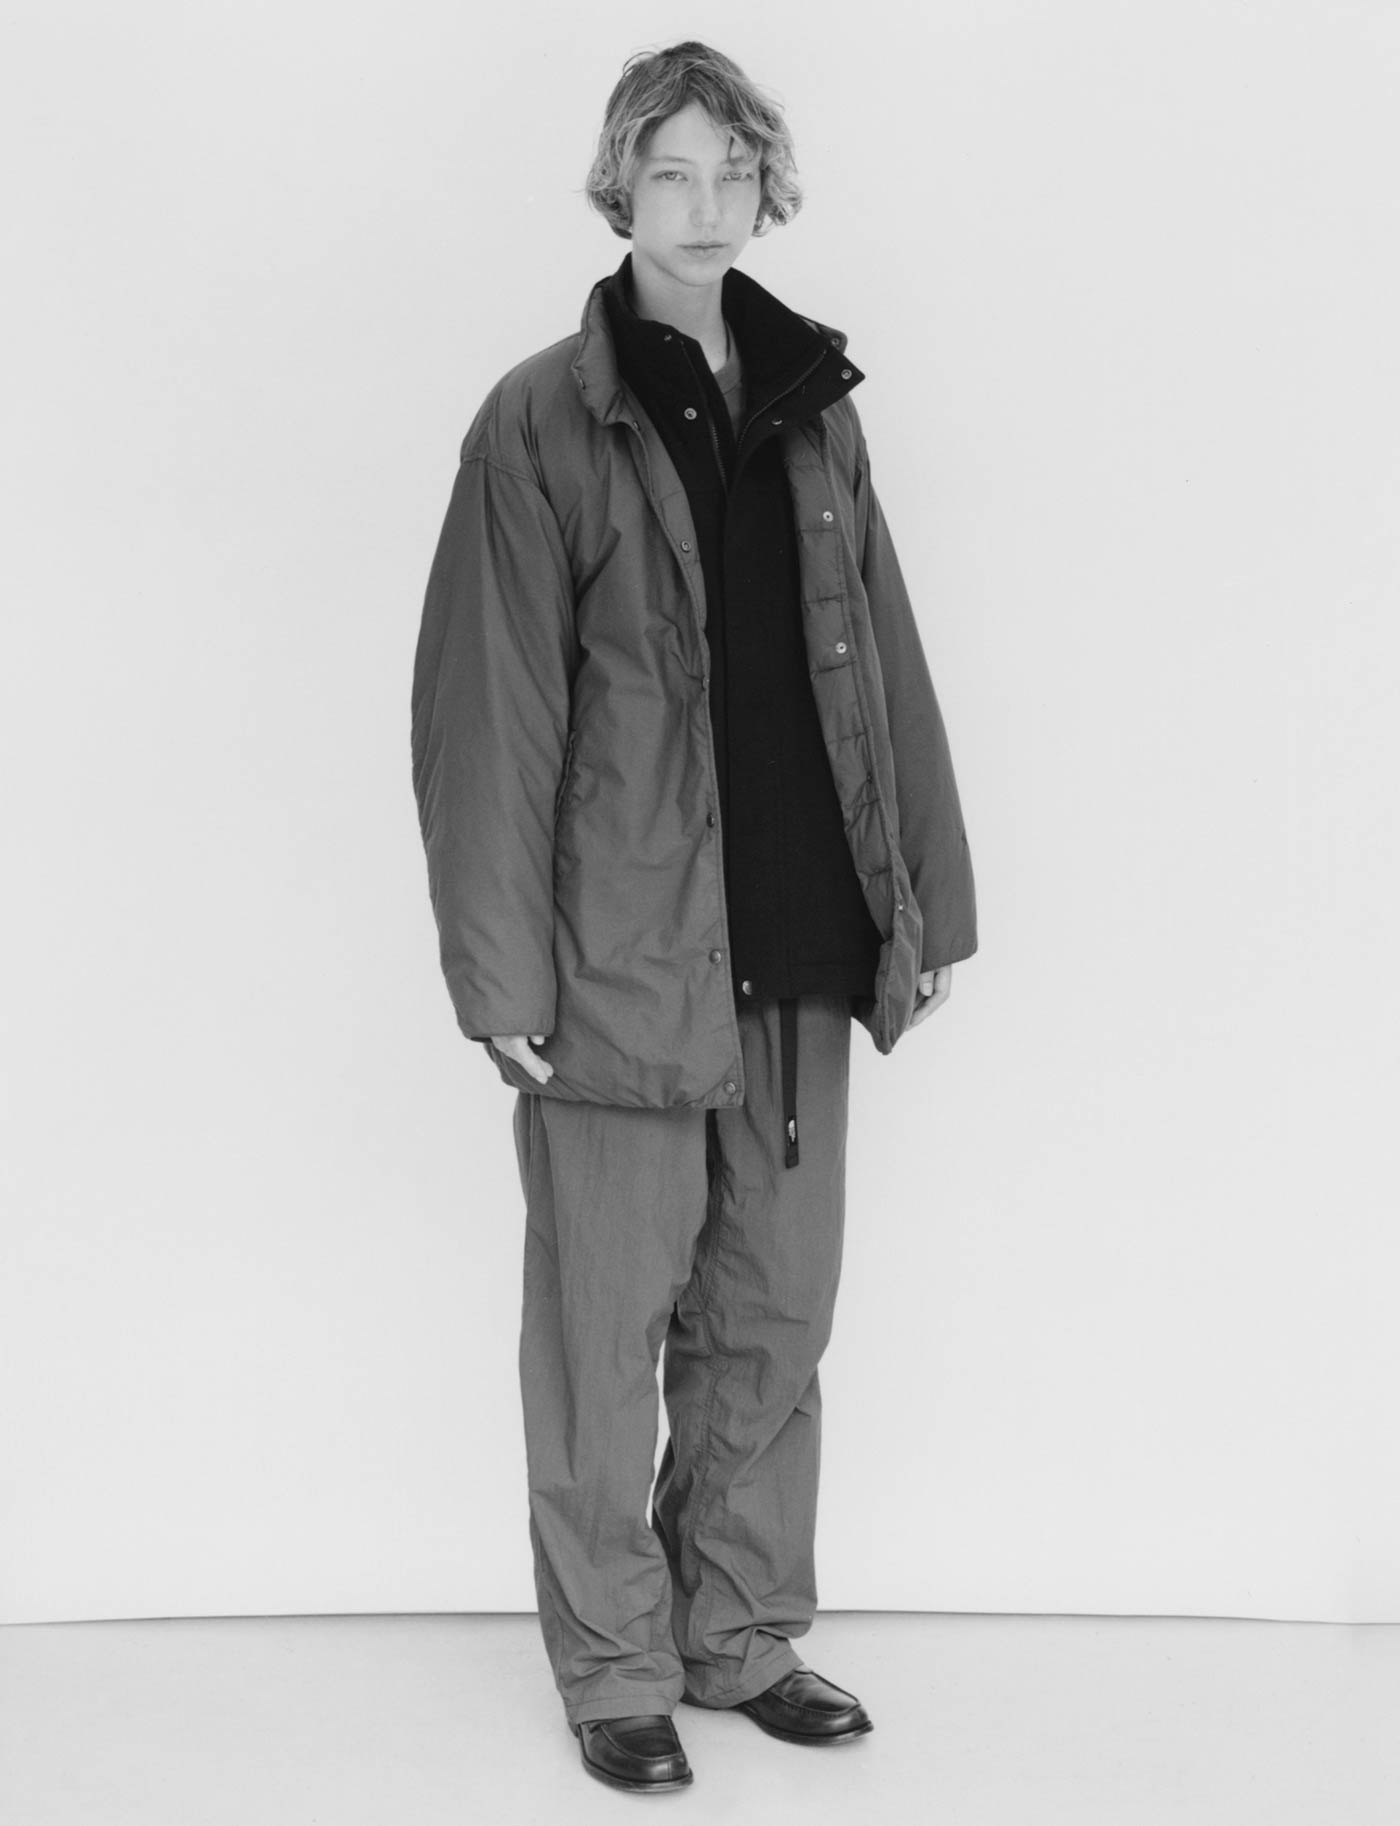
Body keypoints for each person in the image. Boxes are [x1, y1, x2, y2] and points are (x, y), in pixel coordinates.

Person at [410, 40, 977, 1796]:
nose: (707, 204)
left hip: (796, 930)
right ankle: (614, 1664)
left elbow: (881, 656)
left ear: (766, 188)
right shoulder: (540, 422)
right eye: (673, 172)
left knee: (773, 1311)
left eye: (733, 172)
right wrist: (499, 969)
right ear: (621, 189)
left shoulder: (814, 404)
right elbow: (488, 709)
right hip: (617, 959)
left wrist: (923, 898)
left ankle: (737, 1631)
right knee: (604, 1331)